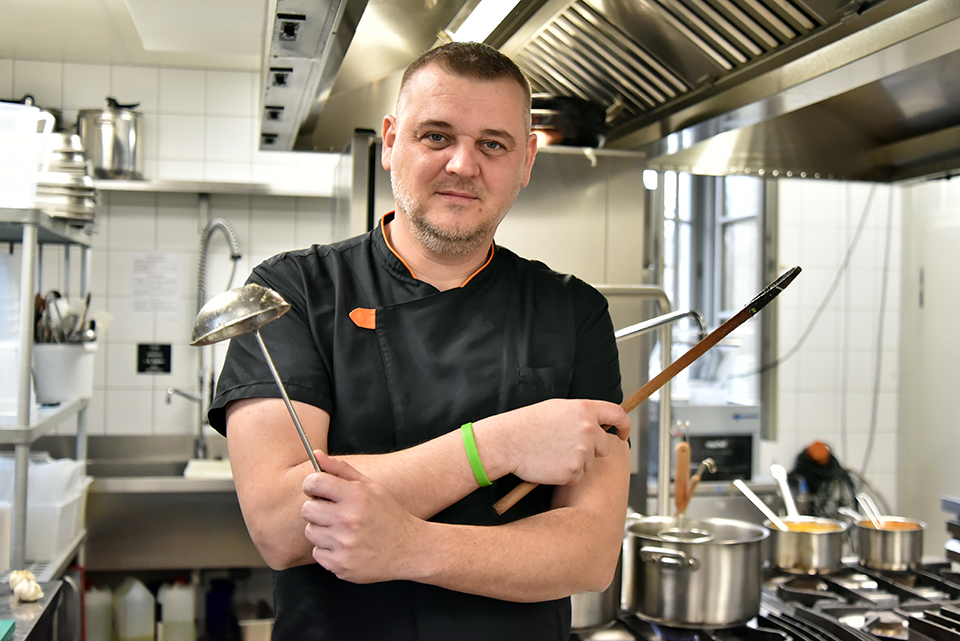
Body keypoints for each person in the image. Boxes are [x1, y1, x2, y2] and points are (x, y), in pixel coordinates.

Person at [208, 41, 631, 641]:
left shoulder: (574, 312)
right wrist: (500, 443)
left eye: (493, 144)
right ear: (390, 141)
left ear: (527, 161)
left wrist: (412, 547)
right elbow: (281, 525)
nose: (463, 164)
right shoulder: (292, 291)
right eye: (436, 136)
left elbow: (590, 555)